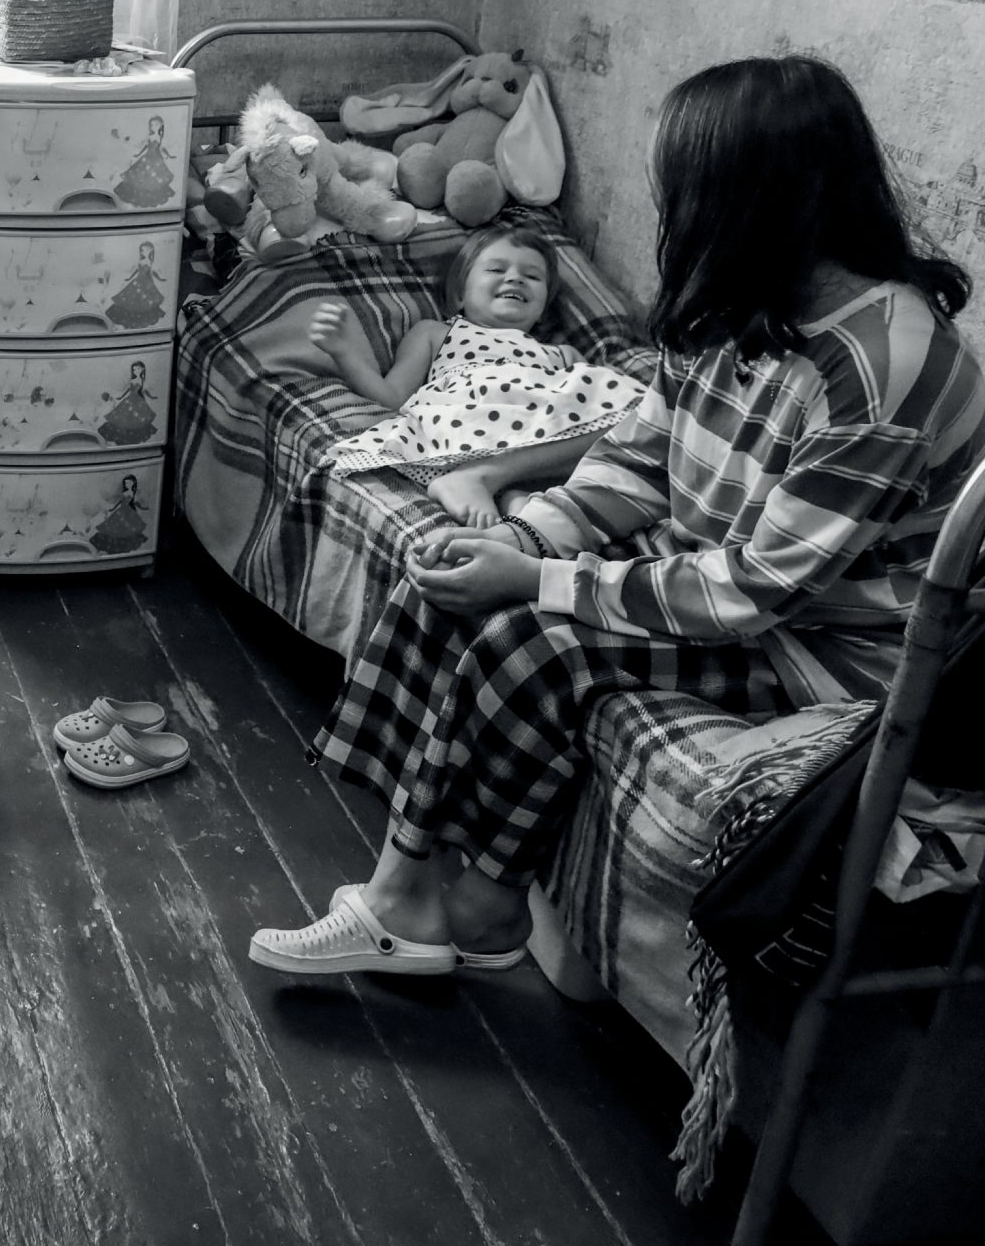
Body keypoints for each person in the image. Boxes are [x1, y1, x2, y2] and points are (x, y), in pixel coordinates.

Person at [247, 56, 985, 977]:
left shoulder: (882, 367)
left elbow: (758, 591)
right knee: (446, 576)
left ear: (748, 199)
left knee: (532, 639)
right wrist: (518, 536)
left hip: (831, 645)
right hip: (728, 577)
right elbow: (639, 463)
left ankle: (460, 907)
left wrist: (539, 577)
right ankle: (428, 892)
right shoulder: (738, 305)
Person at [314, 222, 645, 526]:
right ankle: (480, 479)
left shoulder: (561, 355)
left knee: (638, 414)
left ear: (543, 307)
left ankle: (513, 497)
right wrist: (345, 352)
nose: (515, 278)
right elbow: (392, 397)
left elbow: (595, 414)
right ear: (460, 295)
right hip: (470, 415)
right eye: (496, 269)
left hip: (540, 439)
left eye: (532, 276)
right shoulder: (438, 332)